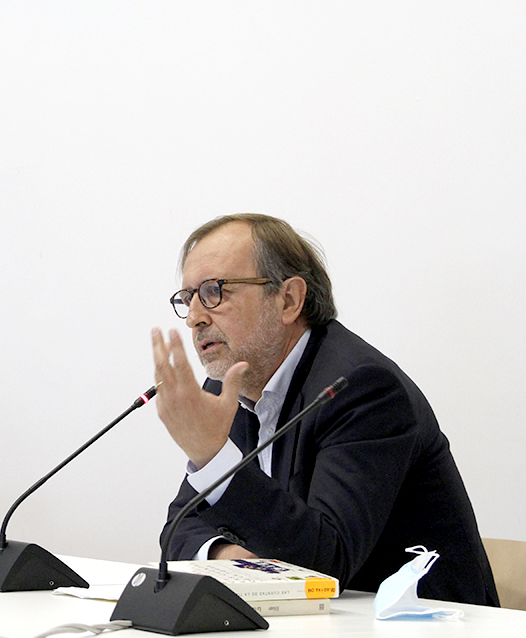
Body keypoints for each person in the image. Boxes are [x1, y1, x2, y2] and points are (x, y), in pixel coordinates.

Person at [152, 213, 497, 605]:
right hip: (315, 626)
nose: (195, 317)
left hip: (428, 628)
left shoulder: (361, 389)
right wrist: (227, 555)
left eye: (214, 291)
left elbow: (326, 565)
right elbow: (180, 527)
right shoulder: (231, 384)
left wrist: (212, 457)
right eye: (188, 298)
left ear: (288, 300)